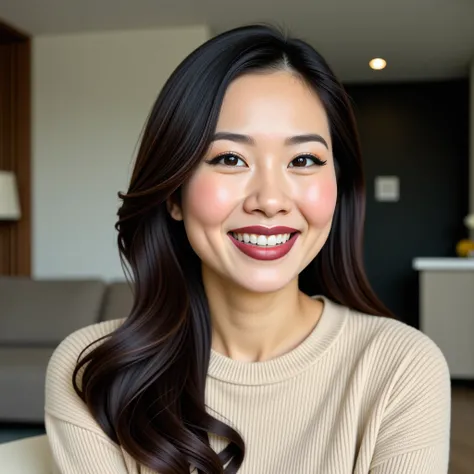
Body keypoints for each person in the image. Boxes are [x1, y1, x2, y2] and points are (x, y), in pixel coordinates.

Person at [44, 24, 451, 474]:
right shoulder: (94, 372)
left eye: (303, 161)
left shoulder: (402, 369)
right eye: (229, 159)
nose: (270, 199)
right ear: (174, 193)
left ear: (338, 188)